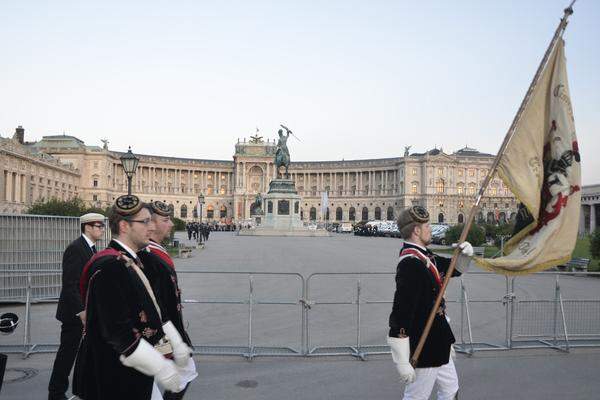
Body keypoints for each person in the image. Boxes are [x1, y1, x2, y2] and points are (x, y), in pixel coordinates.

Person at [73, 195, 184, 400]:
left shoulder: (132, 260)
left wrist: (173, 345)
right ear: (124, 226)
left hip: (131, 371)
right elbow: (117, 329)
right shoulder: (110, 266)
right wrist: (160, 365)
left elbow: (152, 310)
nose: (151, 228)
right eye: (145, 222)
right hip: (113, 376)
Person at [387, 206, 473, 400]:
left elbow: (454, 270)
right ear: (416, 230)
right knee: (417, 397)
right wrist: (401, 360)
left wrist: (465, 254)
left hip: (439, 339)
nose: (431, 229)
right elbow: (401, 312)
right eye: (427, 226)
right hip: (425, 345)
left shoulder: (426, 256)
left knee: (451, 390)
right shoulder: (410, 264)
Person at [139, 201, 196, 400]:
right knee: (182, 372)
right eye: (166, 220)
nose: (171, 224)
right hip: (160, 333)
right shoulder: (148, 255)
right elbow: (154, 304)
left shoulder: (155, 251)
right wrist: (170, 340)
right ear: (152, 225)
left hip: (163, 332)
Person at [48, 212, 105, 400]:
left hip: (86, 311)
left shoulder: (91, 248)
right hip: (75, 313)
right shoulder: (76, 248)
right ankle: (56, 393)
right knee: (67, 354)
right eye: (99, 226)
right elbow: (70, 283)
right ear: (87, 227)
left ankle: (85, 389)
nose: (102, 229)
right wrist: (81, 311)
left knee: (85, 353)